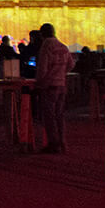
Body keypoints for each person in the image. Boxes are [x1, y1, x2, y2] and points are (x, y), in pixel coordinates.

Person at [34, 22, 72, 153]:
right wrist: (61, 73)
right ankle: (63, 142)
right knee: (59, 115)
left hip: (50, 85)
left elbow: (42, 68)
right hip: (62, 84)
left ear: (42, 34)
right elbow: (71, 64)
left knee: (49, 116)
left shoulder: (47, 46)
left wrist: (39, 82)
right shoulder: (63, 46)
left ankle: (53, 143)